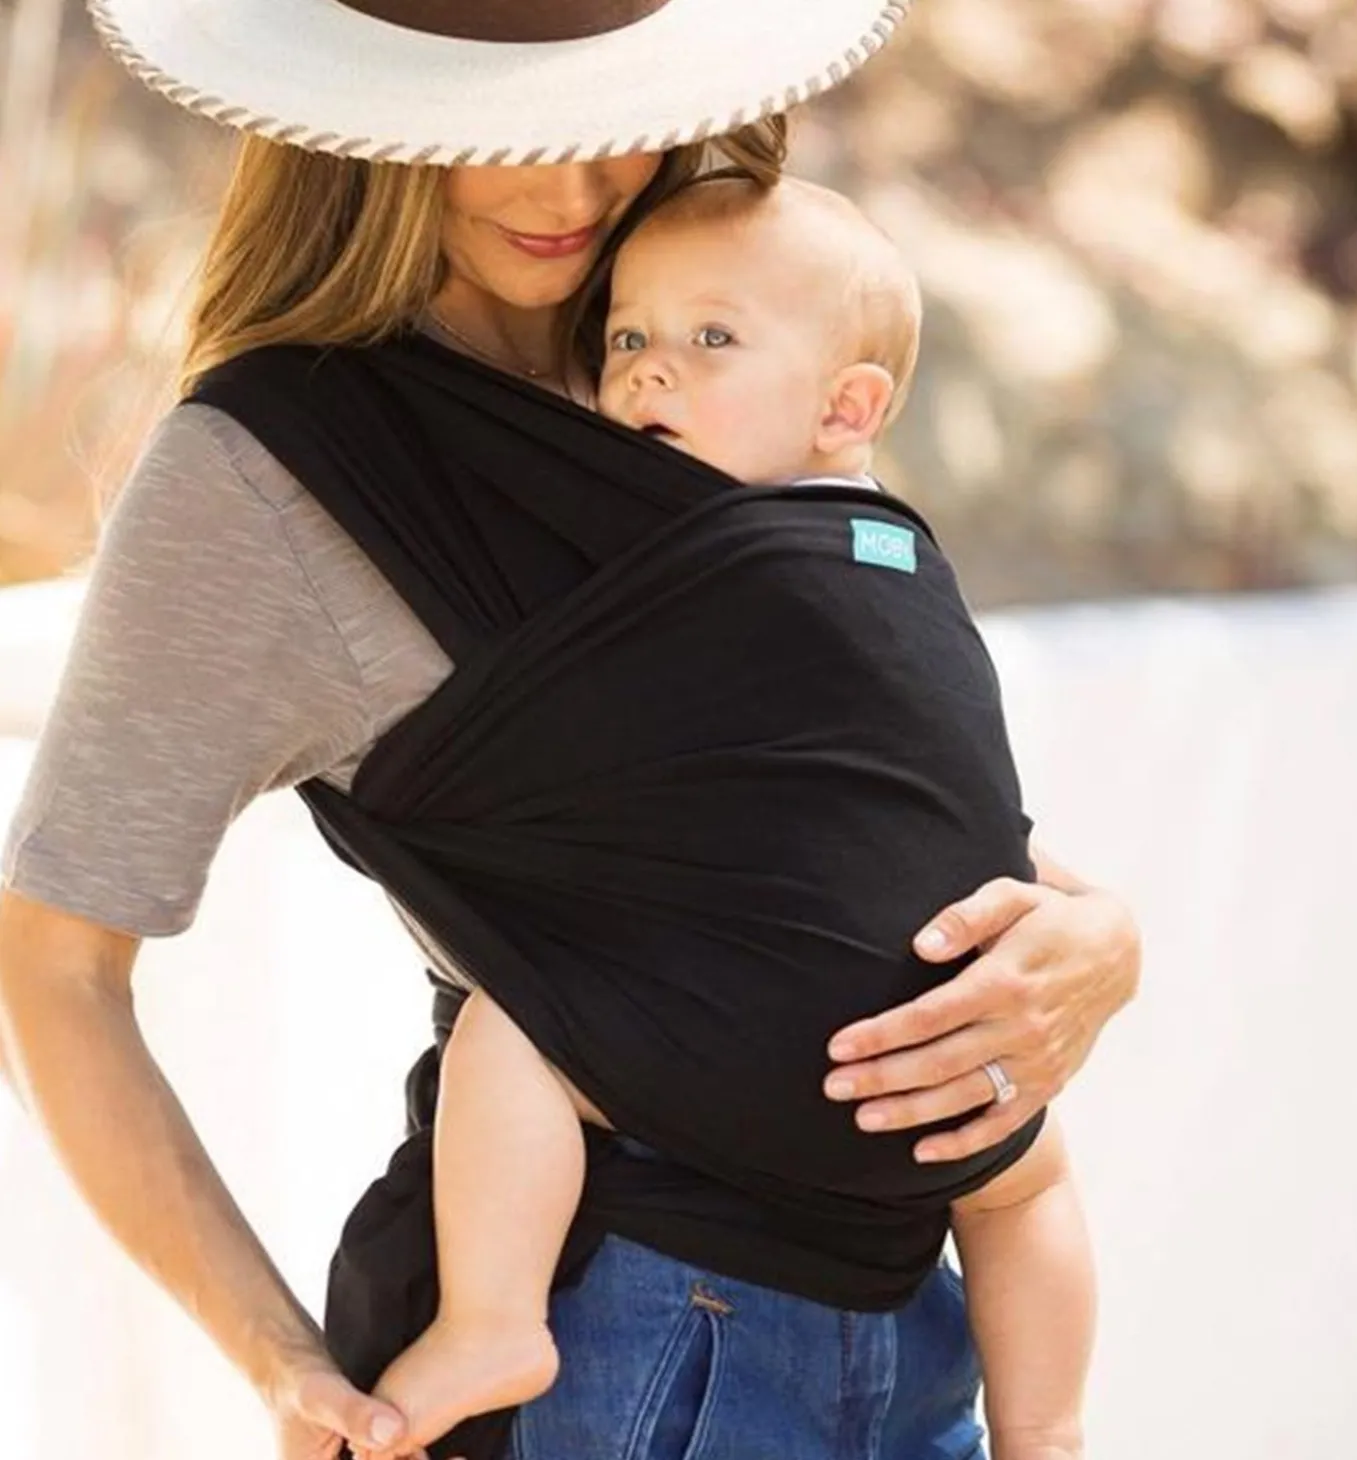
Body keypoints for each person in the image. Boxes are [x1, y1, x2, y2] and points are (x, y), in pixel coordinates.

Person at [0, 5, 1141, 1460]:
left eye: (606, 115)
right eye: (503, 127)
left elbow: (810, 796)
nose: (572, 187)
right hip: (629, 1326)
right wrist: (278, 1359)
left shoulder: (718, 332)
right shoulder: (267, 475)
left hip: (919, 1319)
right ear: (367, 113)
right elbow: (54, 966)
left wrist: (1096, 935)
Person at [361, 174, 1093, 1460]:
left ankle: (493, 1317)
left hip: (757, 1050)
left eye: (712, 338)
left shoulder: (714, 564)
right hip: (932, 1052)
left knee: (511, 1021)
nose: (650, 370)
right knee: (1025, 1180)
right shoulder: (903, 563)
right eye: (627, 337)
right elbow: (915, 795)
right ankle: (1045, 1426)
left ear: (845, 408)